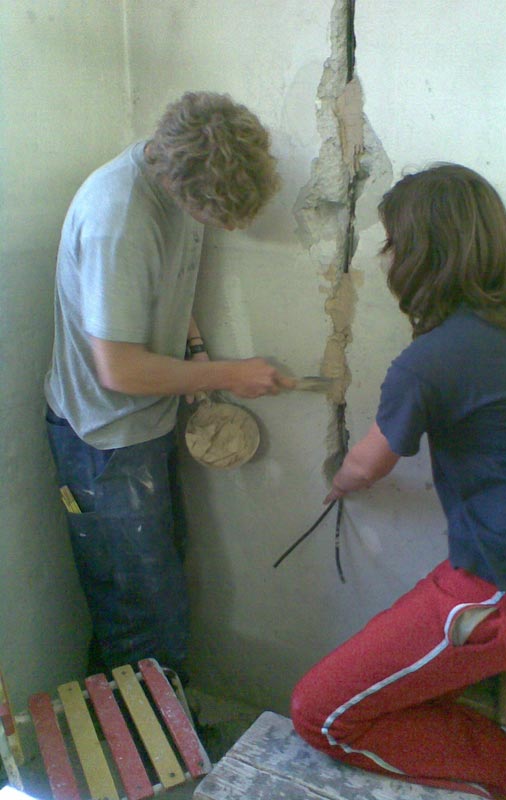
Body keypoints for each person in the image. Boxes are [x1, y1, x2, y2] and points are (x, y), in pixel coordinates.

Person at [291, 164, 506, 800]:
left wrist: (338, 479)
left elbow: (369, 464)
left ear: (419, 255)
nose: (385, 257)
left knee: (320, 713)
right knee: (408, 685)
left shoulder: (431, 361)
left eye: (392, 243)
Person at [44, 91, 294, 681]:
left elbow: (165, 291)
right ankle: (141, 729)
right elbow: (120, 371)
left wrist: (199, 362)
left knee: (153, 588)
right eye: (212, 215)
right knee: (142, 615)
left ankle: (145, 716)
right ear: (183, 187)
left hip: (143, 422)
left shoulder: (175, 180)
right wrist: (232, 373)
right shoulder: (119, 224)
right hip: (103, 440)